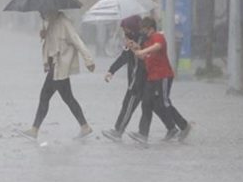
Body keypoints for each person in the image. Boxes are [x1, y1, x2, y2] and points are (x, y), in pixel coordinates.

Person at [21, 10, 96, 140]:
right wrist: (44, 36)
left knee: (45, 95)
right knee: (68, 98)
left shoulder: (64, 23)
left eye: (42, 11)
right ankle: (85, 126)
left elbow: (77, 41)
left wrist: (88, 60)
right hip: (54, 67)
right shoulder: (50, 23)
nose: (41, 14)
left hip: (59, 67)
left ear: (51, 8)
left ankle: (35, 129)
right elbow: (49, 45)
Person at [102, 15, 177, 142]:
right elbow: (124, 57)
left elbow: (143, 58)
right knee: (154, 106)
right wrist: (111, 70)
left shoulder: (144, 40)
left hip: (140, 81)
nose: (125, 31)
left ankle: (119, 131)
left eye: (126, 29)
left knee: (129, 105)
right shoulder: (132, 39)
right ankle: (172, 127)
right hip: (143, 80)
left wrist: (135, 48)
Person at [127, 17, 192, 144]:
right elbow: (143, 56)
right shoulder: (147, 42)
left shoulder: (158, 36)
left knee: (164, 103)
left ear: (151, 29)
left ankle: (183, 126)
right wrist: (135, 47)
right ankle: (143, 133)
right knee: (147, 103)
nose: (144, 33)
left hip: (163, 76)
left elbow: (157, 46)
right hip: (152, 78)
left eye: (145, 30)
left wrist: (143, 50)